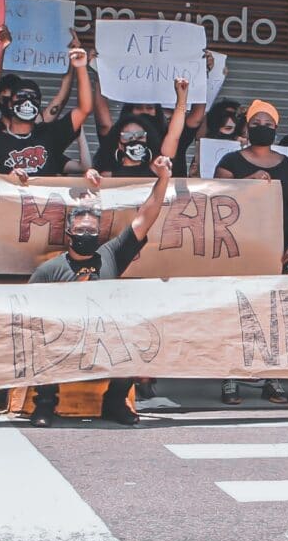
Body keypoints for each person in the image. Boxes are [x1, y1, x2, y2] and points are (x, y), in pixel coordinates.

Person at [25, 158, 176, 427]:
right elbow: (28, 314)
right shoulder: (49, 270)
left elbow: (146, 216)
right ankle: (46, 402)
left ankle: (115, 402)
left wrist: (163, 178)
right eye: (81, 230)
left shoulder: (111, 255)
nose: (87, 234)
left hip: (104, 337)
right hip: (64, 337)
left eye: (92, 230)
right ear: (69, 233)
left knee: (134, 335)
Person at [216, 100, 288, 406]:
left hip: (277, 255)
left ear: (276, 129)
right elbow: (216, 196)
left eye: (268, 124)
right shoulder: (230, 162)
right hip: (237, 252)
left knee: (274, 317)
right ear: (247, 127)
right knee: (234, 315)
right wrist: (246, 183)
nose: (262, 128)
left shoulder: (287, 166)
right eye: (257, 123)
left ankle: (273, 378)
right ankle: (229, 378)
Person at [97, 77, 193, 176]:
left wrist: (182, 99)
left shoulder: (158, 163)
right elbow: (104, 124)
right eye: (127, 136)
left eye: (140, 135)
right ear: (119, 144)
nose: (134, 140)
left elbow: (174, 136)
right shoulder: (108, 173)